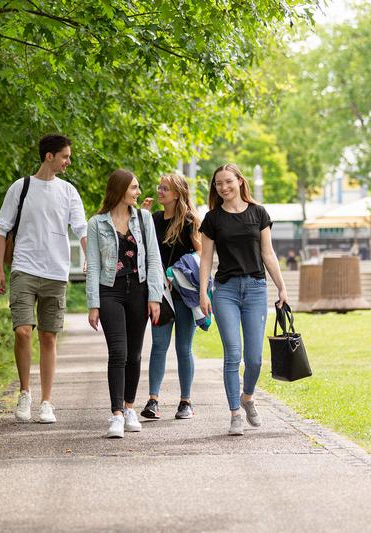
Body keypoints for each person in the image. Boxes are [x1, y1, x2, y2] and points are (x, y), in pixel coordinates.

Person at [0, 134, 87, 424]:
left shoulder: (69, 192)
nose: (68, 161)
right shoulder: (21, 188)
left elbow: (81, 228)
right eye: (65, 156)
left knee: (48, 336)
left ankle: (47, 401)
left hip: (56, 273)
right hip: (23, 268)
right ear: (49, 156)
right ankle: (25, 393)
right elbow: (1, 228)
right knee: (22, 331)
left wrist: (90, 259)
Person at [199, 163, 288, 436]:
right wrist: (203, 291)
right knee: (232, 355)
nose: (223, 187)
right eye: (218, 184)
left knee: (255, 359)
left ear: (239, 181)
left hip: (256, 289)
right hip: (225, 290)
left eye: (228, 181)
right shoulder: (212, 219)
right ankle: (235, 414)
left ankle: (247, 397)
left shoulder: (258, 213)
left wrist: (281, 287)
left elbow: (268, 253)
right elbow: (205, 258)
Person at [86, 169, 163, 438]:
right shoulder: (97, 223)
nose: (138, 193)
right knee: (118, 352)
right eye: (133, 188)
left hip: (139, 291)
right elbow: (93, 265)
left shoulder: (144, 219)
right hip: (110, 291)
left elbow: (154, 259)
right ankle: (116, 414)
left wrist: (154, 296)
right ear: (119, 190)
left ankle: (130, 408)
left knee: (134, 354)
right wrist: (92, 304)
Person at [138, 174, 202, 420]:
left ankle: (186, 402)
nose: (160, 192)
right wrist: (141, 218)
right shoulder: (153, 219)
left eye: (165, 189)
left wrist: (178, 273)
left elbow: (201, 256)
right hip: (160, 295)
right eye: (160, 187)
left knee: (184, 347)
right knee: (158, 346)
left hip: (184, 294)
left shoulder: (189, 221)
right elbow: (142, 250)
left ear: (177, 194)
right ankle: (153, 399)